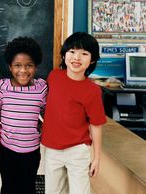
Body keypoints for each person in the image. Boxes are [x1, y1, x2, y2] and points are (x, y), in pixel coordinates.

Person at [41, 32, 106, 194]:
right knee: (53, 191)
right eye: (72, 52)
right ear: (64, 55)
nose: (77, 57)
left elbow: (96, 125)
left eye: (84, 54)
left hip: (77, 150)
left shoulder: (92, 90)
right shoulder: (54, 76)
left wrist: (96, 158)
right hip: (52, 149)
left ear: (92, 60)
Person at [0, 37, 48, 194]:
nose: (23, 71)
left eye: (29, 66)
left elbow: (48, 112)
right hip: (7, 150)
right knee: (8, 188)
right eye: (17, 65)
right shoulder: (2, 87)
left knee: (27, 188)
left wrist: (41, 125)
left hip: (31, 152)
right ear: (10, 67)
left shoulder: (41, 88)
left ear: (36, 67)